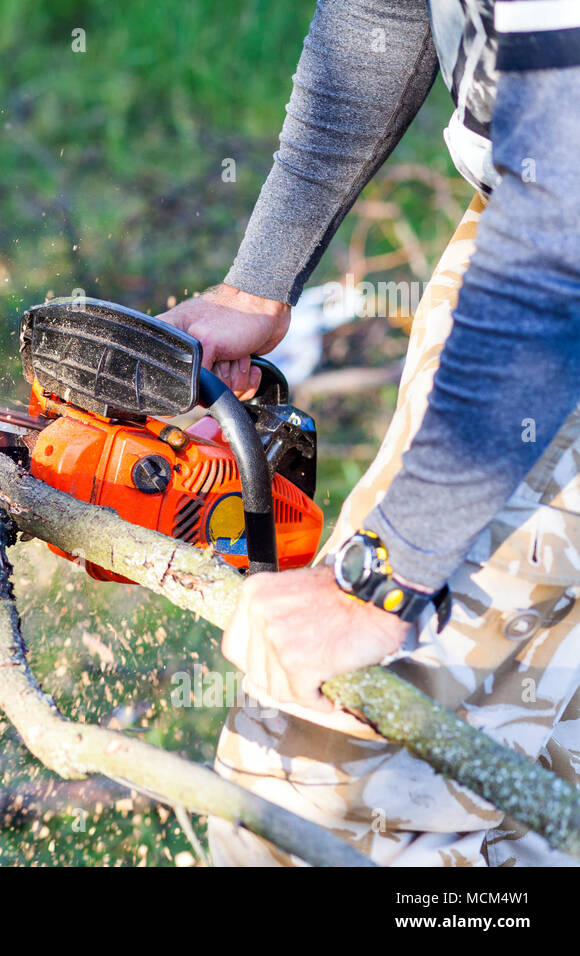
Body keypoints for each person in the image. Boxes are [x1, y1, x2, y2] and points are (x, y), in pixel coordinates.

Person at [157, 0, 580, 865]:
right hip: (532, 214)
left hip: (554, 256)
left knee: (310, 782)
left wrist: (383, 580)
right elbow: (379, 15)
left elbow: (555, 253)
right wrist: (261, 281)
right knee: (542, 766)